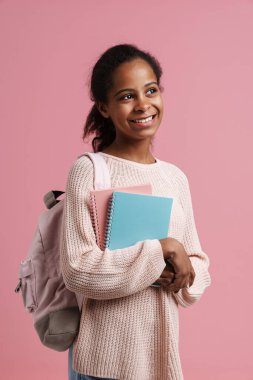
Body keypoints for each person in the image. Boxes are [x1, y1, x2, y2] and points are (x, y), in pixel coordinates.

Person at [61, 43, 211, 380]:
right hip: (103, 363)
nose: (143, 104)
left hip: (161, 361)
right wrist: (161, 251)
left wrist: (183, 275)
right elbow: (77, 269)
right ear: (104, 106)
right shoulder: (88, 170)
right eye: (127, 96)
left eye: (151, 90)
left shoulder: (174, 177)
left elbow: (197, 262)